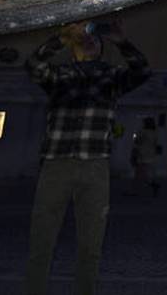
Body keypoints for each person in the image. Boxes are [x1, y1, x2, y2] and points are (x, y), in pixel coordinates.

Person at [23, 20, 150, 295]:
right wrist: (61, 38)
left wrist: (121, 41)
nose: (89, 41)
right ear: (74, 50)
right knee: (41, 242)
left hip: (94, 165)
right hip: (56, 163)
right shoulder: (59, 76)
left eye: (95, 41)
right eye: (84, 41)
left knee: (90, 245)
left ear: (102, 50)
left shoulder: (111, 77)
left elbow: (142, 70)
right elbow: (33, 65)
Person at [129, 116, 161, 198]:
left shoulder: (142, 131)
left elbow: (136, 140)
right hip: (150, 155)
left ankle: (136, 190)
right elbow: (156, 144)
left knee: (139, 174)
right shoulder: (154, 133)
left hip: (141, 154)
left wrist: (134, 135)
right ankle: (151, 185)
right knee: (143, 174)